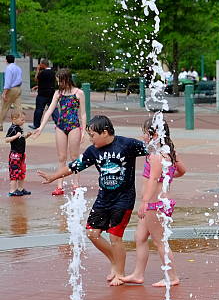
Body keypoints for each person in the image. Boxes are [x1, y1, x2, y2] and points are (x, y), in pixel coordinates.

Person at [37, 115, 149, 286]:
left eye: (92, 135)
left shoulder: (127, 144)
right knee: (92, 233)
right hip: (103, 199)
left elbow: (154, 150)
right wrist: (53, 177)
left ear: (104, 132)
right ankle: (115, 260)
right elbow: (74, 166)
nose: (90, 139)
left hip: (123, 199)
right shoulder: (93, 151)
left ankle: (119, 273)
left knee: (115, 237)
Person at [121, 119, 186, 287]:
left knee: (159, 241)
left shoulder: (156, 156)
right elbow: (182, 170)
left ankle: (172, 277)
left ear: (154, 135)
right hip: (159, 203)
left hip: (154, 205)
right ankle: (138, 274)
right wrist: (168, 175)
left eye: (144, 133)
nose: (143, 136)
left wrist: (144, 202)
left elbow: (153, 179)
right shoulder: (169, 152)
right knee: (140, 237)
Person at [32, 69, 87, 196]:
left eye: (60, 81)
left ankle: (75, 185)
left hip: (74, 126)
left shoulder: (79, 93)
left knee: (74, 157)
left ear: (66, 79)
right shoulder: (58, 93)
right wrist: (41, 127)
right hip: (60, 126)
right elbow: (49, 110)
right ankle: (59, 186)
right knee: (61, 157)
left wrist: (84, 131)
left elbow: (83, 114)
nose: (58, 83)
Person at [5, 110, 32, 196]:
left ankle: (20, 188)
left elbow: (20, 138)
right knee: (14, 172)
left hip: (21, 154)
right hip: (15, 155)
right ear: (14, 119)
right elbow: (6, 139)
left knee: (21, 172)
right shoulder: (12, 129)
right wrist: (16, 136)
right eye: (22, 120)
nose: (24, 121)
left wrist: (27, 136)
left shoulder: (19, 128)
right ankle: (12, 190)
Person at [30, 59, 57, 132]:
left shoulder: (43, 73)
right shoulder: (53, 72)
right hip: (51, 93)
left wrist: (37, 70)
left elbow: (36, 79)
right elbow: (48, 83)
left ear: (43, 64)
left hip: (42, 94)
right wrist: (38, 86)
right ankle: (58, 123)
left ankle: (36, 124)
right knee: (53, 108)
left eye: (40, 64)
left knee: (39, 109)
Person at [1, 54, 23, 129]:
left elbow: (8, 82)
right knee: (18, 107)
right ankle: (19, 124)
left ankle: (0, 124)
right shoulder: (18, 68)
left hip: (11, 89)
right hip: (18, 88)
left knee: (4, 107)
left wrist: (4, 93)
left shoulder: (9, 68)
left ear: (6, 60)